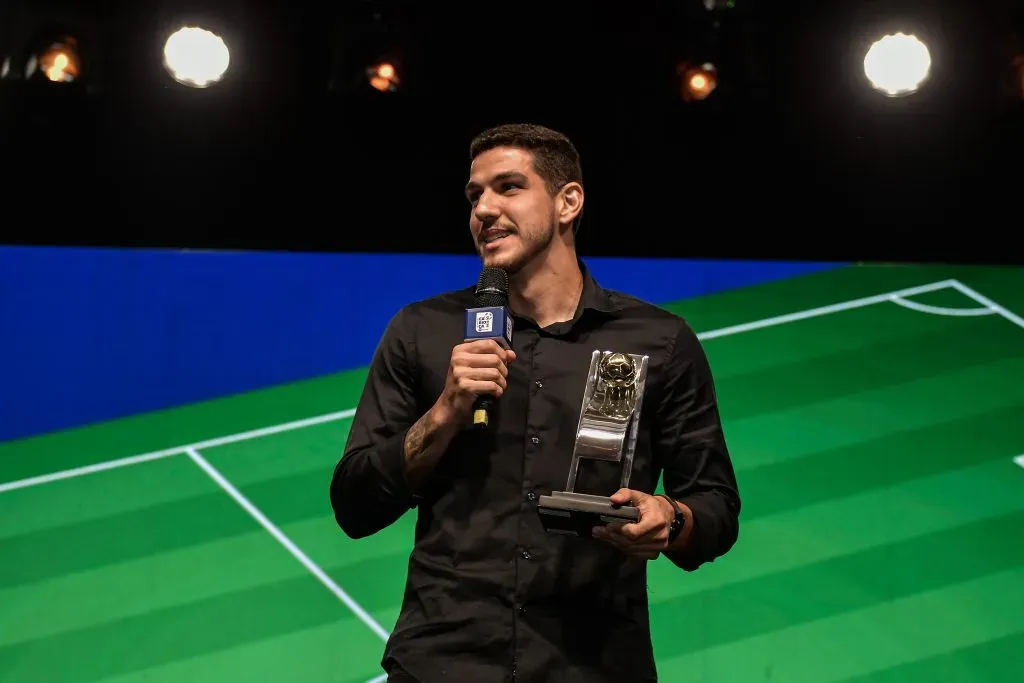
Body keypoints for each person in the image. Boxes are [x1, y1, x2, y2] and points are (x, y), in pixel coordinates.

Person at [330, 123, 741, 683]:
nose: (484, 209)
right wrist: (445, 411)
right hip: (442, 662)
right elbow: (354, 504)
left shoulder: (660, 341)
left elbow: (715, 506)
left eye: (508, 187)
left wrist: (669, 518)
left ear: (568, 202)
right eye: (475, 195)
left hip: (594, 665)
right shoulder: (422, 331)